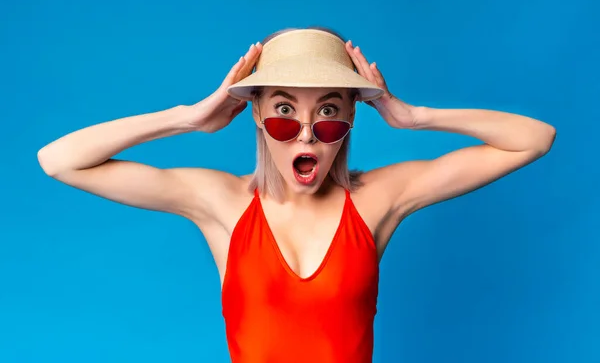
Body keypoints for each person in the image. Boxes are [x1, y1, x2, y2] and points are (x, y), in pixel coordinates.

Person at [37, 27, 556, 362]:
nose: (307, 133)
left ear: (351, 121)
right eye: (284, 112)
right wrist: (191, 118)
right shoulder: (222, 203)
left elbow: (535, 139)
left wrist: (415, 116)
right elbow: (59, 160)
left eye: (328, 114)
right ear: (258, 118)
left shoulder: (376, 199)